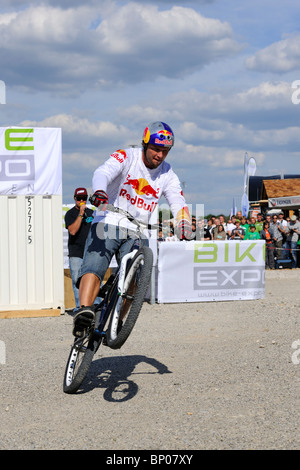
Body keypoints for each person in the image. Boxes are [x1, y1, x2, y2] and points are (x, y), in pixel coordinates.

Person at [73, 121, 192, 336]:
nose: (160, 155)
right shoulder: (127, 156)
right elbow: (103, 171)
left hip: (138, 230)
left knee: (136, 281)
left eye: (165, 151)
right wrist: (100, 191)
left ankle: (117, 319)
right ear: (145, 144)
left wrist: (184, 222)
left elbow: (178, 201)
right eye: (156, 149)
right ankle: (84, 312)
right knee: (95, 264)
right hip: (109, 220)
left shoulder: (168, 173)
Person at [65, 188, 95, 312]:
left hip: (90, 252)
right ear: (74, 198)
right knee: (77, 280)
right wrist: (81, 214)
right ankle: (79, 308)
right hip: (76, 252)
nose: (81, 201)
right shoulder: (71, 214)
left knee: (93, 278)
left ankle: (94, 307)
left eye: (84, 198)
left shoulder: (92, 213)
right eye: (79, 199)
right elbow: (73, 231)